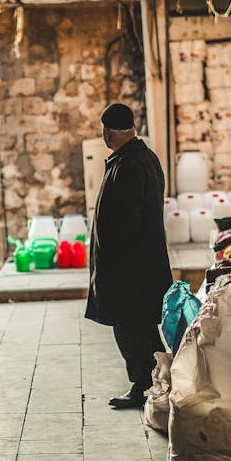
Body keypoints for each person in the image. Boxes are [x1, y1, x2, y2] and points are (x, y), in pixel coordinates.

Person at [85, 102, 173, 409]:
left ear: (110, 132)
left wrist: (112, 265)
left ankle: (143, 384)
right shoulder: (143, 158)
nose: (104, 137)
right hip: (142, 265)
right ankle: (159, 379)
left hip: (130, 268)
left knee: (128, 326)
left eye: (104, 131)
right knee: (142, 327)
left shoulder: (128, 166)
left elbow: (124, 223)